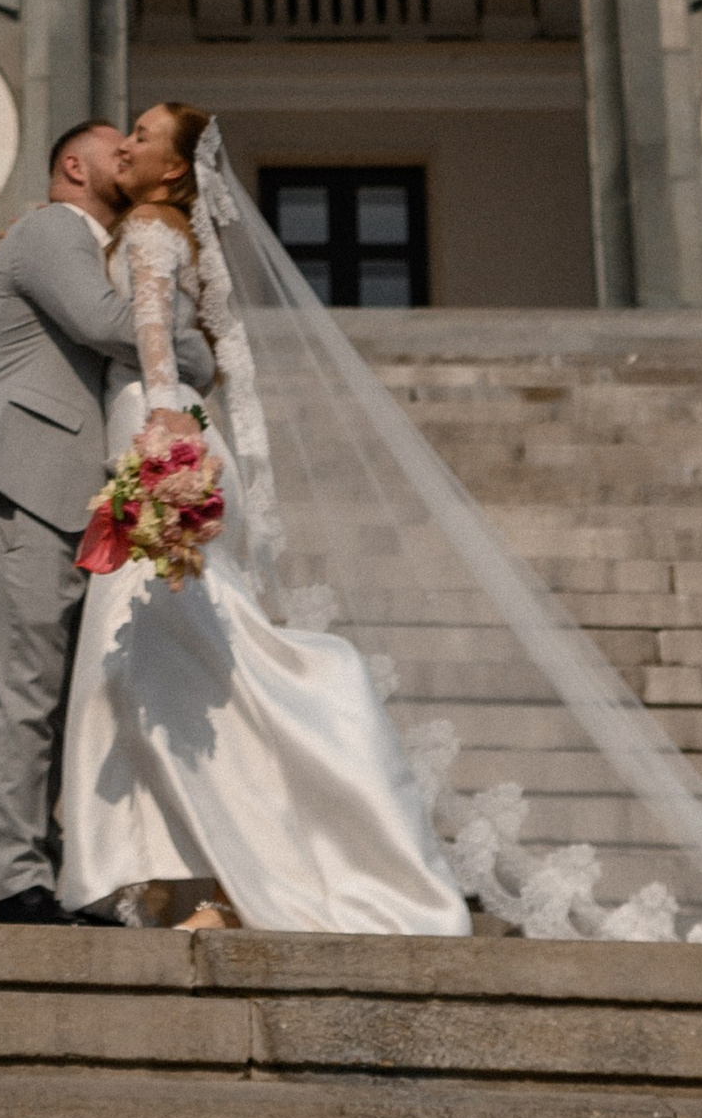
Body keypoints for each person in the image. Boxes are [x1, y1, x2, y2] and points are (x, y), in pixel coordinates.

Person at [58, 100, 470, 935]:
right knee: (181, 669)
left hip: (161, 439)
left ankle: (236, 883)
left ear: (174, 168)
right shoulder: (165, 228)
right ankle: (202, 880)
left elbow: (150, 337)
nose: (124, 147)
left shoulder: (145, 229)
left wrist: (162, 439)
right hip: (182, 440)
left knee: (164, 665)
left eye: (139, 137)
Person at [0, 117, 215, 921]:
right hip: (16, 476)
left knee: (53, 688)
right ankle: (17, 880)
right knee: (25, 684)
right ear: (72, 164)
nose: (126, 152)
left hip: (59, 488)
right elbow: (109, 327)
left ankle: (50, 871)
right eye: (112, 145)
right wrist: (198, 349)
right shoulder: (54, 228)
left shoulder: (93, 243)